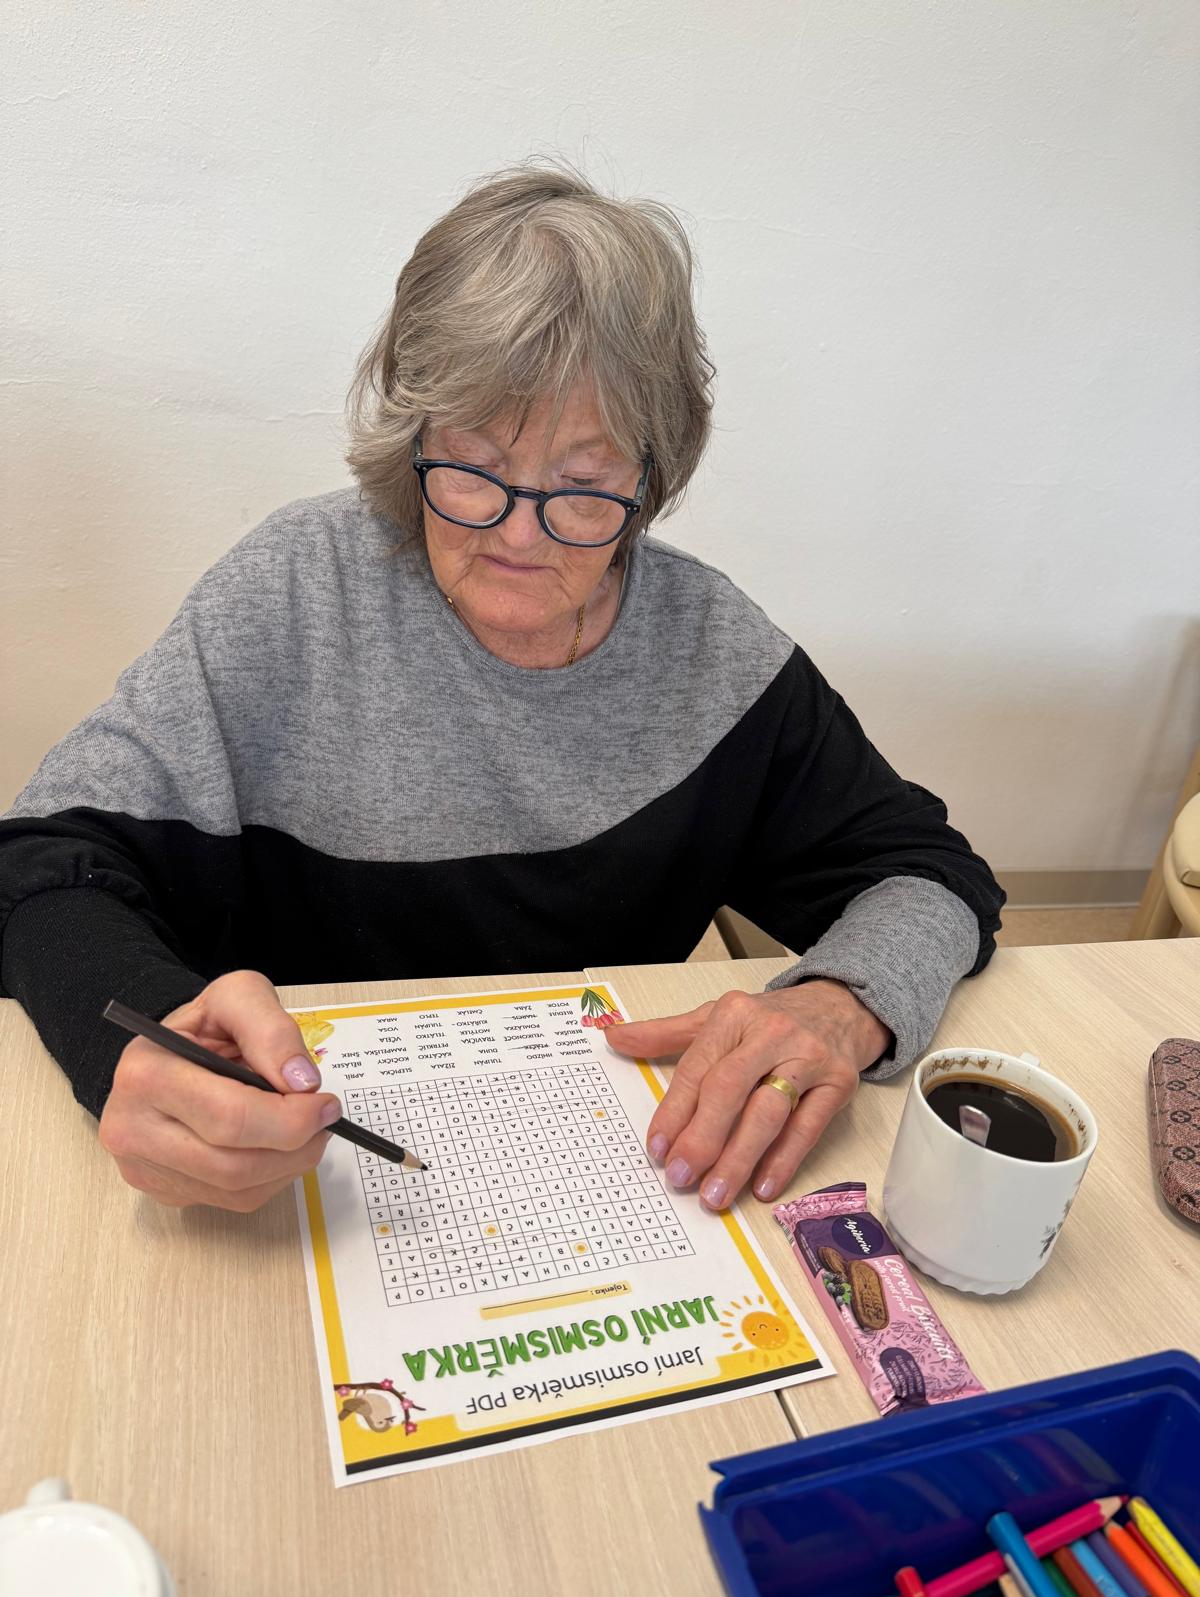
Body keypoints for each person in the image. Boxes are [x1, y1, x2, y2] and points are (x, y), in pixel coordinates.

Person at [0, 165, 1004, 1216]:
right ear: (412, 441)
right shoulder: (293, 593)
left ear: (651, 476)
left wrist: (840, 1005)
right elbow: (39, 864)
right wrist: (138, 1044)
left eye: (583, 485)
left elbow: (930, 874)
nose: (520, 535)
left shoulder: (713, 651)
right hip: (297, 1178)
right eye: (473, 467)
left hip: (617, 1175)